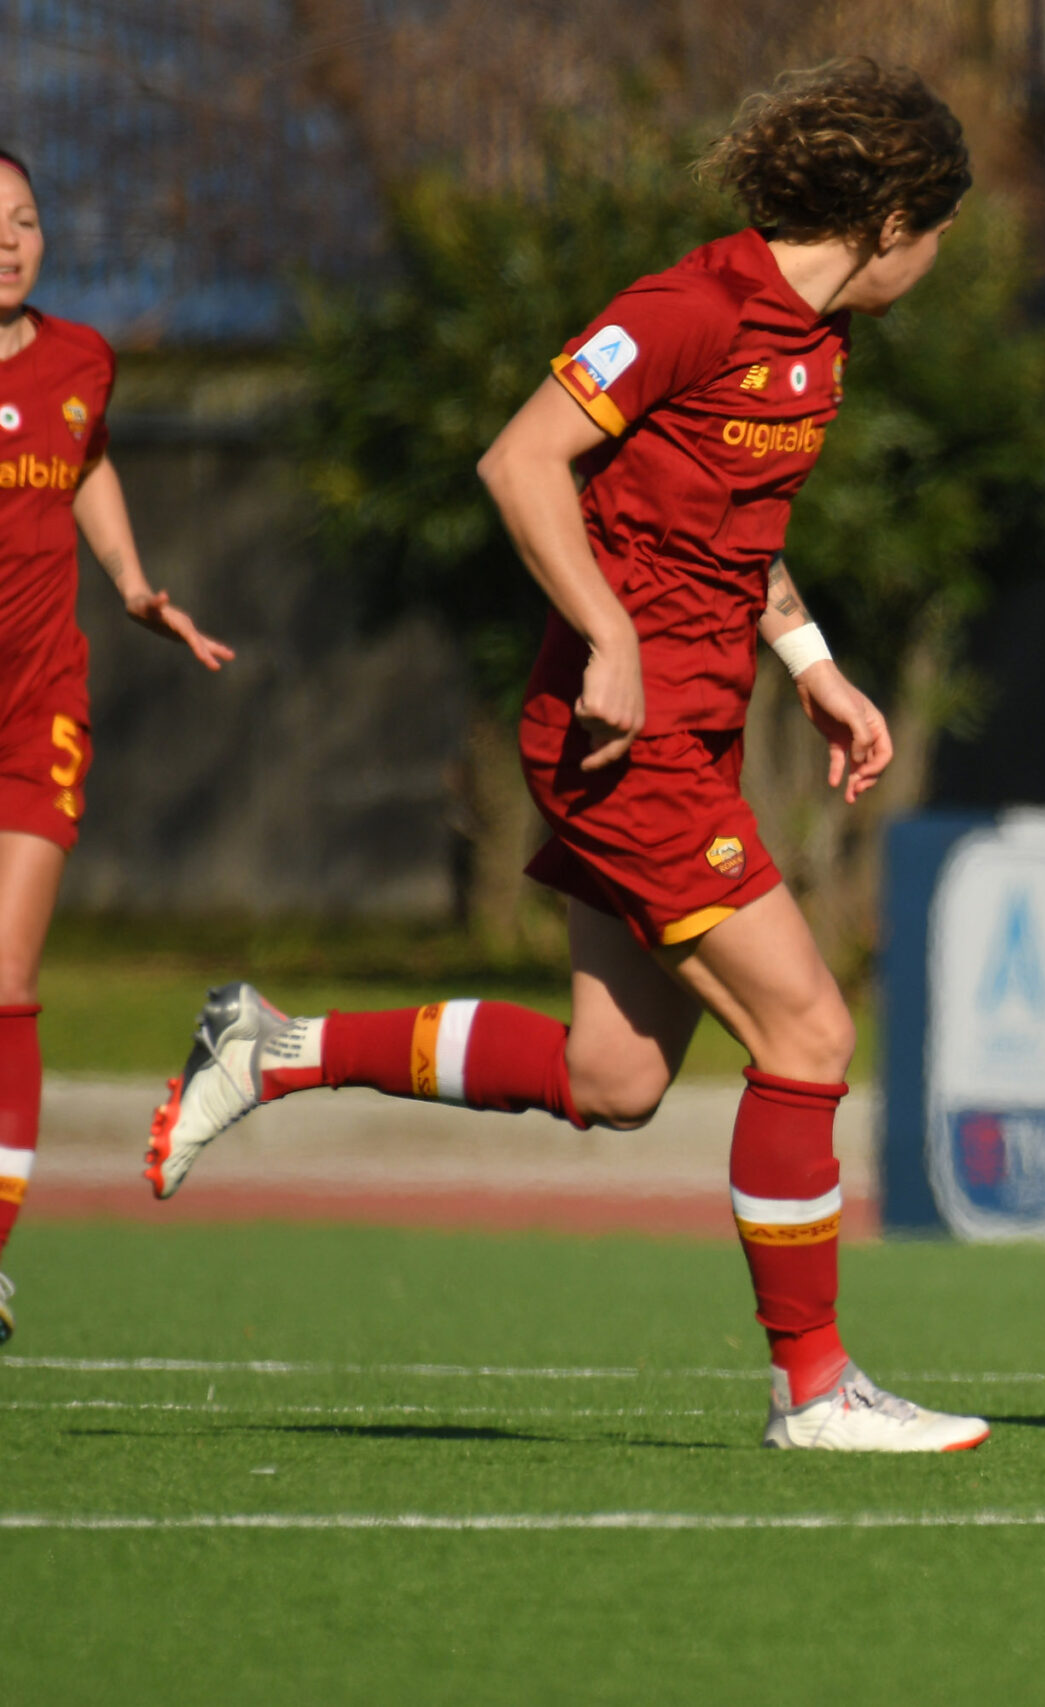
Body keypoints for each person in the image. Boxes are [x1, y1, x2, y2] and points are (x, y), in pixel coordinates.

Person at [145, 63, 987, 1452]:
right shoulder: (688, 307)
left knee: (616, 1078)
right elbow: (520, 460)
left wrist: (814, 667)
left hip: (694, 730)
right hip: (622, 741)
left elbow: (738, 534)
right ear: (894, 221)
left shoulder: (820, 345)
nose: (940, 258)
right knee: (811, 1031)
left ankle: (276, 1048)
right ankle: (815, 1389)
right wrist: (607, 634)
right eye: (942, 231)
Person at [0, 148, 234, 1347]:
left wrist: (135, 584)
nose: (9, 240)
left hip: (36, 706)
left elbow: (86, 460)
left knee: (6, 982)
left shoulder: (83, 358)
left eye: (24, 219)